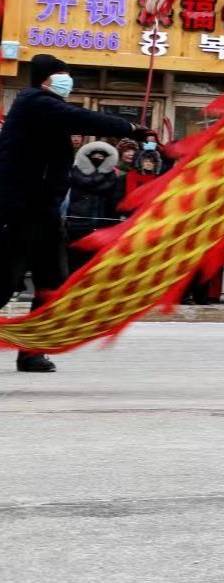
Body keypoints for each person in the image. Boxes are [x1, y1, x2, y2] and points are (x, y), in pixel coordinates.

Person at [0, 54, 145, 372]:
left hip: (46, 212)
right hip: (21, 209)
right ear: (45, 79)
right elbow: (83, 119)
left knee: (51, 283)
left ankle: (31, 351)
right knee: (6, 281)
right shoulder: (35, 102)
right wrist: (129, 126)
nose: (68, 80)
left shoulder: (47, 111)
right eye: (62, 75)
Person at [64, 141, 124, 276]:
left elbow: (115, 203)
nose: (98, 158)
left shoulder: (114, 177)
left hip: (101, 224)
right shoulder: (74, 174)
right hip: (78, 224)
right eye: (94, 156)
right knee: (75, 263)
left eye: (101, 156)